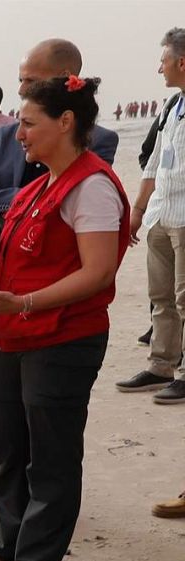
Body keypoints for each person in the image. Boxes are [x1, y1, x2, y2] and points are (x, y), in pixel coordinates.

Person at [0, 75, 128, 561]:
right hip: (10, 333)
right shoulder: (37, 186)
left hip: (61, 340)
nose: (19, 135)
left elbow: (98, 272)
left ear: (66, 122)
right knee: (9, 445)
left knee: (50, 456)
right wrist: (3, 304)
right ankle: (6, 544)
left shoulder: (92, 185)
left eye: (28, 124)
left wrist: (26, 302)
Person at [0, 38, 121, 517]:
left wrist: (23, 201)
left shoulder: (96, 144)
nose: (19, 89)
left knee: (38, 409)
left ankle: (29, 511)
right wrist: (23, 201)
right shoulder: (5, 134)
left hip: (51, 291)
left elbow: (95, 260)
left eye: (30, 81)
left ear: (65, 79)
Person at [117, 28, 185, 405]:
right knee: (161, 297)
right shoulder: (171, 108)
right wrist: (138, 212)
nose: (159, 69)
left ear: (180, 62)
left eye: (162, 61)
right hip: (162, 212)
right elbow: (154, 163)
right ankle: (161, 366)